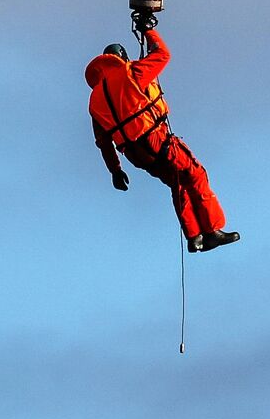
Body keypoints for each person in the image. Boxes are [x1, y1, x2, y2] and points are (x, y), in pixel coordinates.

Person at [86, 23, 239, 253]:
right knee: (195, 174)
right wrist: (149, 31)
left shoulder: (95, 99)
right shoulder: (131, 73)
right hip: (155, 139)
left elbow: (103, 143)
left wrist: (115, 171)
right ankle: (212, 231)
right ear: (122, 58)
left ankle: (194, 237)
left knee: (178, 183)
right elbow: (162, 55)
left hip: (136, 155)